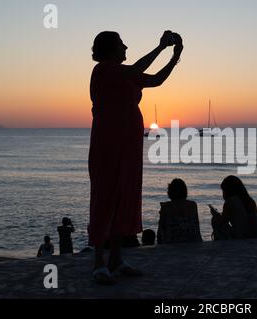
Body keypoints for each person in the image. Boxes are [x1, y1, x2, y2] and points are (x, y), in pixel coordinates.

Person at [88, 30, 183, 284]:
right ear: (111, 48)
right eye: (121, 43)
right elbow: (139, 67)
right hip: (107, 143)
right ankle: (99, 262)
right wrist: (161, 46)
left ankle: (116, 259)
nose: (126, 46)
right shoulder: (104, 70)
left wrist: (175, 58)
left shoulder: (126, 76)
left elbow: (156, 80)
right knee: (104, 197)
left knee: (124, 196)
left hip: (129, 145)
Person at [211, 176, 257, 240]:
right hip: (255, 237)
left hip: (240, 238)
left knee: (215, 220)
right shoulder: (250, 201)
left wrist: (216, 215)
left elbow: (223, 222)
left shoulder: (230, 201)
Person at [157, 179, 203, 244]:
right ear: (185, 191)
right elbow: (196, 228)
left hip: (171, 243)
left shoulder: (166, 206)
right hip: (192, 243)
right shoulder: (192, 205)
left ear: (170, 192)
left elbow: (161, 230)